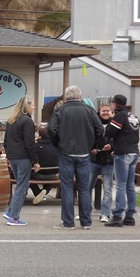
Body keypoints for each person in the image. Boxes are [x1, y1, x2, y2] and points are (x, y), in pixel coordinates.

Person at [48, 85, 104, 230]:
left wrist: (58, 144)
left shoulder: (60, 110)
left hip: (65, 153)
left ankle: (68, 222)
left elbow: (51, 130)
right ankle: (86, 222)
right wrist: (92, 145)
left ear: (65, 97)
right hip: (84, 153)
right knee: (84, 188)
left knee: (67, 187)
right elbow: (100, 129)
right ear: (80, 96)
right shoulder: (89, 110)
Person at [104, 94, 140, 227]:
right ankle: (130, 216)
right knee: (130, 185)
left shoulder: (120, 116)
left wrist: (111, 119)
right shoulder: (133, 116)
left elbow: (109, 132)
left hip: (123, 154)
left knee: (120, 185)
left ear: (116, 104)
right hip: (134, 152)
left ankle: (117, 216)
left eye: (112, 103)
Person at [4, 96, 40, 226]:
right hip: (23, 157)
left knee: (20, 185)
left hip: (13, 157)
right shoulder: (28, 121)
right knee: (22, 186)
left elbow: (6, 141)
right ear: (27, 106)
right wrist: (35, 160)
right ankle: (14, 217)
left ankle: (10, 211)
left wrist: (9, 156)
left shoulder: (11, 120)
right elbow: (30, 144)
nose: (34, 107)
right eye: (32, 105)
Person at [89, 104, 115, 223]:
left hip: (108, 161)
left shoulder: (114, 124)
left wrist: (112, 146)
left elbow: (119, 139)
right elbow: (88, 137)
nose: (105, 113)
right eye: (103, 111)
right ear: (99, 111)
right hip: (94, 160)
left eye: (107, 111)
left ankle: (105, 214)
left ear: (110, 112)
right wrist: (91, 148)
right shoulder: (93, 123)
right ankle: (86, 212)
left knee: (108, 189)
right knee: (87, 187)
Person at [30, 124, 59, 205]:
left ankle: (38, 193)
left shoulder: (35, 146)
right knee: (54, 175)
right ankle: (45, 190)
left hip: (38, 174)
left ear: (39, 136)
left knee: (26, 176)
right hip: (54, 174)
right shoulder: (56, 146)